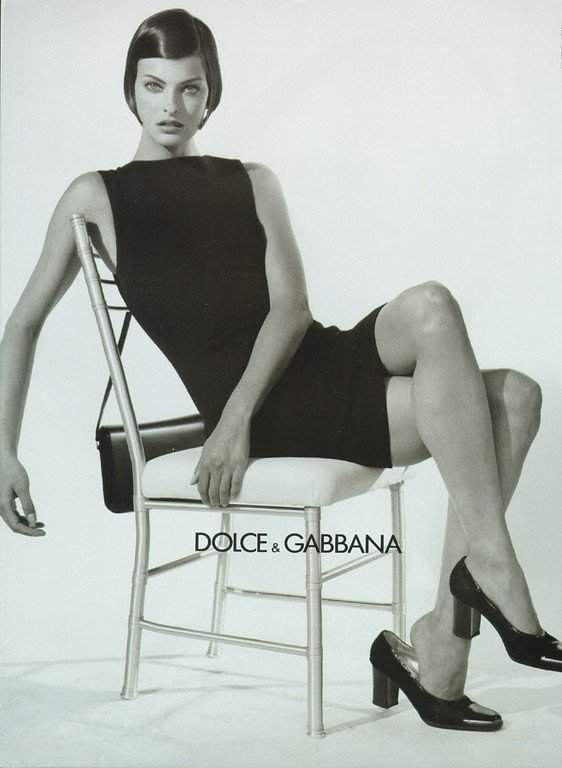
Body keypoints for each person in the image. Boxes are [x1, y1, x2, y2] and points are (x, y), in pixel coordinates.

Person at [0, 8, 560, 733]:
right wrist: (5, 450)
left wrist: (232, 419)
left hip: (316, 364)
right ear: (130, 90)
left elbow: (292, 310)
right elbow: (23, 324)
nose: (172, 105)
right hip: (268, 416)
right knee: (504, 400)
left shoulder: (253, 179)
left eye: (190, 88)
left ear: (211, 94)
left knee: (479, 352)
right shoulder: (95, 195)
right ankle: (462, 624)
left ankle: (462, 605)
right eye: (154, 86)